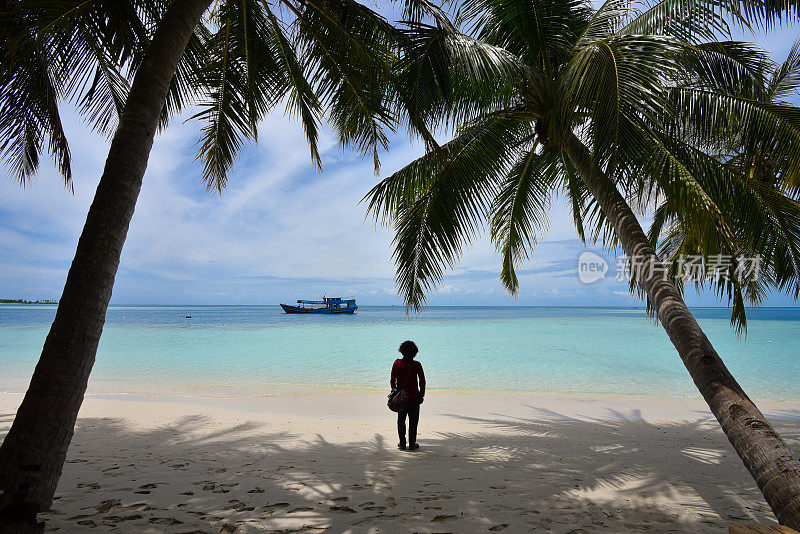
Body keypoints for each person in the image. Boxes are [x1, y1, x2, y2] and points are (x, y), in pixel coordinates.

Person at [390, 340, 425, 451]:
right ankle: (412, 444)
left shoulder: (396, 363)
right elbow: (422, 381)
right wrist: (421, 394)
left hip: (401, 398)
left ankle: (402, 443)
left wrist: (396, 391)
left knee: (401, 421)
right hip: (414, 398)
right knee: (413, 422)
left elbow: (392, 381)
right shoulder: (417, 364)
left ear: (402, 351)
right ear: (415, 352)